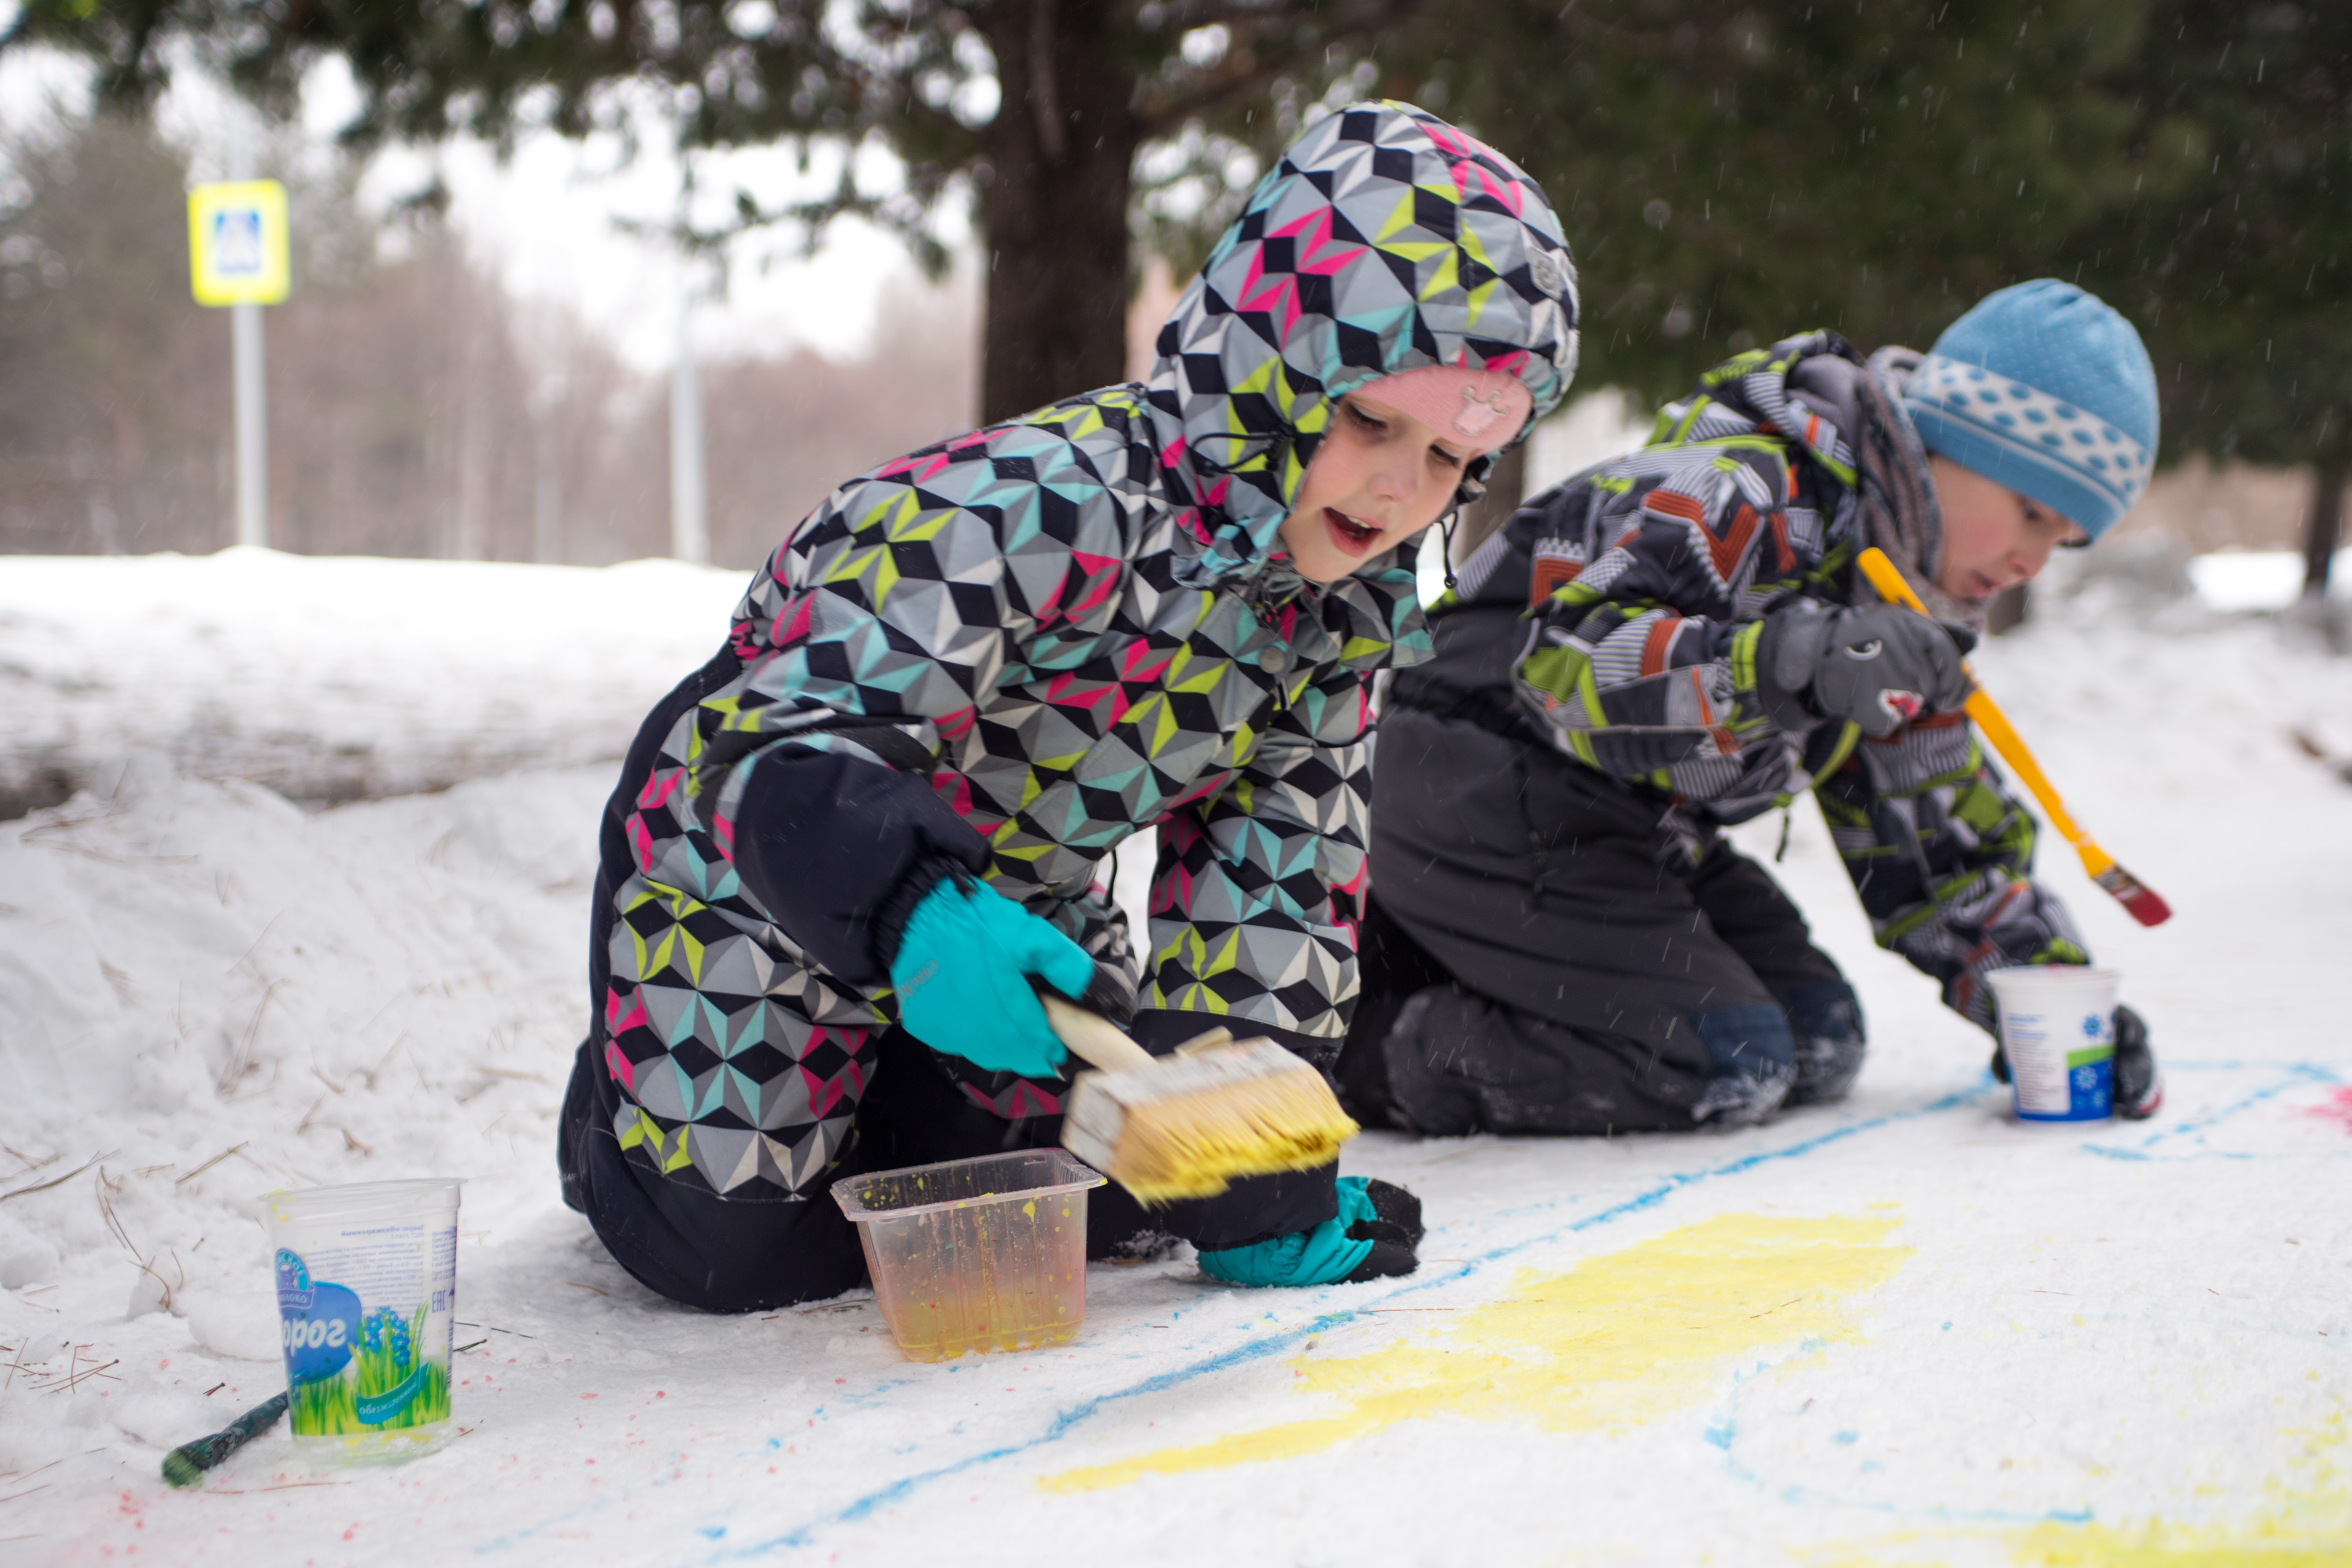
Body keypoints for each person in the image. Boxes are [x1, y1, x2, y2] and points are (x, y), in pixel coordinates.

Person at [558, 101, 1580, 1310]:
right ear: (1273, 368)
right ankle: (619, 1118)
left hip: (1009, 909)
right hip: (762, 847)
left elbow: (1278, 883)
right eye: (1369, 423)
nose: (1403, 488)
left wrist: (1255, 1177)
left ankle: (886, 1087)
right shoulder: (1034, 505)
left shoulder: (1335, 615)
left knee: (1111, 1200)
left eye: (1451, 461)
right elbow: (792, 733)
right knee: (732, 1258)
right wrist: (900, 904)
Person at [1340, 281, 2165, 1138]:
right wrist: (1783, 661)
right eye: (2030, 510)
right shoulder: (1741, 487)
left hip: (1629, 825)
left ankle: (1453, 954)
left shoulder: (1900, 599)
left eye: (2063, 538)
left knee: (1819, 1039)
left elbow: (1934, 842)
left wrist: (2054, 1005)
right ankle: (1360, 1043)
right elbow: (1564, 668)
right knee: (1721, 1056)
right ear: (1940, 444)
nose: (2034, 558)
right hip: (1474, 779)